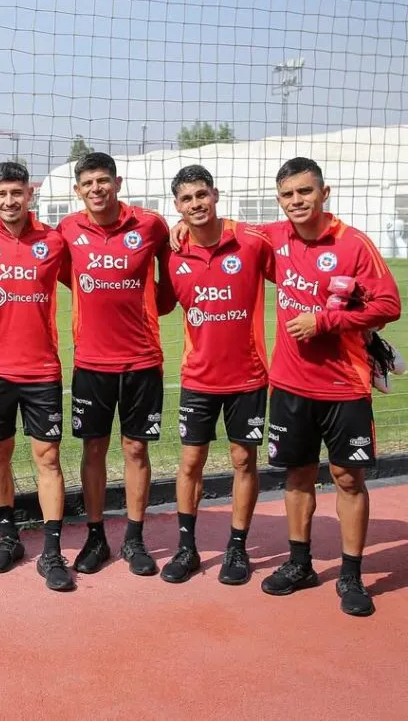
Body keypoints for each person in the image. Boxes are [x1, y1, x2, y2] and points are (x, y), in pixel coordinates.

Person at [258, 157, 400, 616]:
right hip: (289, 385)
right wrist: (181, 228)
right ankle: (300, 564)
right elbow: (225, 230)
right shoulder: (274, 237)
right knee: (297, 477)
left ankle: (352, 575)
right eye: (287, 195)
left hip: (345, 386)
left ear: (324, 192)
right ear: (279, 199)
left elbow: (389, 304)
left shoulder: (354, 244)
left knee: (347, 478)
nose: (296, 202)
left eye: (305, 192)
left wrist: (324, 321)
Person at [57, 152, 175, 577]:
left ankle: (135, 539)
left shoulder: (151, 224)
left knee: (136, 448)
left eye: (103, 181)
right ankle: (94, 537)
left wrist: (152, 305)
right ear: (77, 190)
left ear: (118, 182)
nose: (96, 189)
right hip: (90, 362)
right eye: (87, 183)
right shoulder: (68, 229)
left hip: (142, 360)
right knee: (93, 448)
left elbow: (173, 271)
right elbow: (60, 271)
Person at [0, 161, 74, 591]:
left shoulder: (54, 243)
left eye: (17, 193)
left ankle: (52, 550)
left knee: (48, 458)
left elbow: (91, 281)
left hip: (42, 370)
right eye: (2, 193)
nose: (10, 201)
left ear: (30, 195)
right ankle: (8, 538)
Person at [160, 165, 273, 585]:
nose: (196, 204)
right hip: (198, 377)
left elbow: (297, 269)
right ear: (177, 206)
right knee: (191, 462)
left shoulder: (252, 241)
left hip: (248, 376)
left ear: (216, 195)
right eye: (187, 199)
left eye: (202, 195)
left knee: (244, 460)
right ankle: (186, 549)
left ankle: (237, 549)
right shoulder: (173, 253)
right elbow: (157, 302)